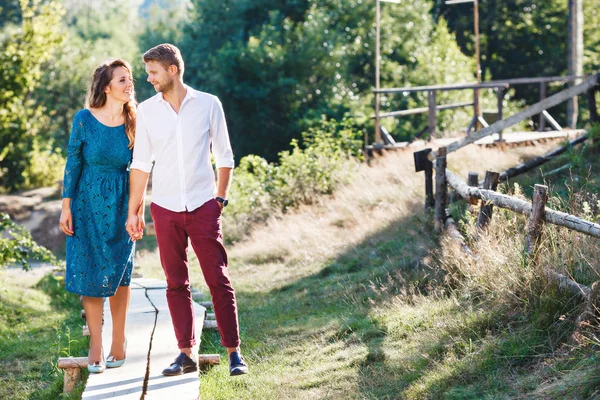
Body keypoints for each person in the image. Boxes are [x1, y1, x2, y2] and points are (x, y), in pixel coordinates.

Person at [125, 43, 249, 377]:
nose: (148, 79)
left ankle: (234, 353)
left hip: (203, 205)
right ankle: (185, 353)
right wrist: (134, 210)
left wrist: (219, 200)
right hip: (164, 209)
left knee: (217, 278)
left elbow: (224, 156)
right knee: (175, 282)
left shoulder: (209, 104)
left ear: (172, 70)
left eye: (153, 72)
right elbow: (140, 163)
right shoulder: (147, 112)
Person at [59, 59, 137, 373]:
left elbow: (142, 168)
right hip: (86, 203)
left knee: (121, 271)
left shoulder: (135, 120)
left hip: (122, 204)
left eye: (130, 80)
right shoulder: (84, 119)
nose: (129, 85)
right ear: (107, 87)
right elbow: (73, 162)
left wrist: (136, 210)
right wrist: (66, 205)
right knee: (90, 271)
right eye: (122, 80)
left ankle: (119, 339)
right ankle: (96, 344)